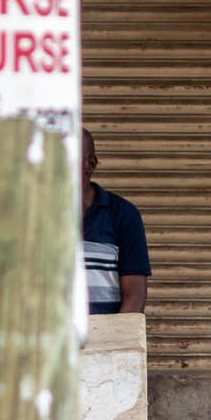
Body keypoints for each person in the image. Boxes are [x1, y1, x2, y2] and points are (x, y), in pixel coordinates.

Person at [81, 130, 149, 315]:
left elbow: (134, 298)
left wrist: (113, 340)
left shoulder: (123, 215)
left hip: (106, 340)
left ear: (90, 163)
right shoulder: (34, 214)